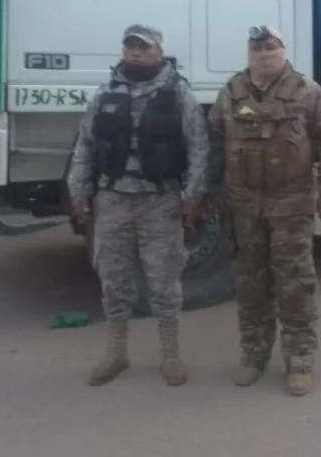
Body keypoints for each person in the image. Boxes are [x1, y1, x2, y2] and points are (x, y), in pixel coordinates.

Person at [207, 25, 321, 397]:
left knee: (294, 282)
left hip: (291, 204)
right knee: (250, 283)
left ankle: (300, 358)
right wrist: (206, 192)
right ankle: (254, 355)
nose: (264, 52)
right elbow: (213, 144)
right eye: (257, 46)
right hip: (244, 207)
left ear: (283, 50)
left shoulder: (306, 90)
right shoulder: (230, 93)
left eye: (270, 46)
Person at [66, 24, 210, 387]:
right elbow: (84, 145)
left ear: (158, 51)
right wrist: (79, 190)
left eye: (143, 48)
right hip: (112, 199)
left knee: (163, 282)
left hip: (158, 201)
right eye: (130, 47)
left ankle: (170, 354)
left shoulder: (178, 95)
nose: (135, 53)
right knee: (114, 279)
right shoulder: (104, 94)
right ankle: (117, 353)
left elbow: (198, 148)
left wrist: (193, 195)